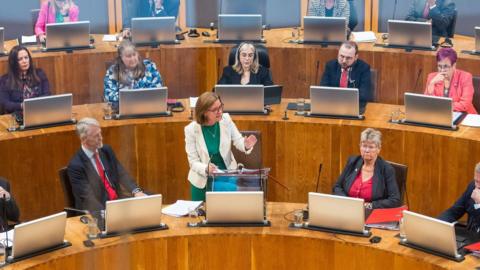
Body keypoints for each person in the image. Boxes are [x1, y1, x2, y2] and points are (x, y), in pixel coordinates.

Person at [184, 92, 257, 201]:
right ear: (204, 112)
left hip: (226, 175)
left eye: (220, 106)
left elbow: (238, 140)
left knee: (244, 194)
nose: (220, 112)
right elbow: (193, 162)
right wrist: (206, 168)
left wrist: (246, 145)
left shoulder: (226, 119)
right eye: (215, 110)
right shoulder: (191, 130)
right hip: (204, 180)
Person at [67, 117, 146, 213]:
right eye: (96, 136)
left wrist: (136, 191)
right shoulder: (76, 166)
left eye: (100, 133)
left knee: (149, 201)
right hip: (98, 211)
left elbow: (122, 173)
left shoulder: (106, 150)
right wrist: (108, 213)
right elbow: (87, 198)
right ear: (84, 139)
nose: (101, 138)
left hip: (117, 202)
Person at [333, 128, 401, 209]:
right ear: (360, 146)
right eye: (364, 146)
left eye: (371, 147)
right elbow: (337, 187)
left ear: (378, 149)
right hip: (348, 209)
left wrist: (369, 205)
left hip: (372, 214)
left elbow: (394, 200)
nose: (366, 150)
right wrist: (348, 201)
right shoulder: (352, 162)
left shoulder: (387, 170)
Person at [103, 40, 163, 104]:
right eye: (128, 56)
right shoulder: (113, 71)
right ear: (121, 57)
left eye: (134, 55)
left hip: (148, 105)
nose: (132, 59)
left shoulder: (150, 66)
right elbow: (109, 96)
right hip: (122, 108)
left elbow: (158, 89)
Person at [320, 41, 372, 113]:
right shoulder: (330, 66)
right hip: (332, 106)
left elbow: (364, 95)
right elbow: (323, 90)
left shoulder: (364, 68)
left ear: (356, 57)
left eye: (348, 58)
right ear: (338, 53)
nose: (344, 61)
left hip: (354, 107)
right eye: (342, 56)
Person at [424, 47, 477, 114]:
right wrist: (431, 84)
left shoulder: (465, 77)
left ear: (454, 66)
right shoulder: (432, 77)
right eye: (439, 66)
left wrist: (442, 106)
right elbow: (427, 103)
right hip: (440, 115)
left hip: (464, 115)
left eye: (446, 66)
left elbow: (465, 105)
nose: (442, 70)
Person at [0, 46, 50, 114]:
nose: (24, 61)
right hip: (18, 114)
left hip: (39, 111)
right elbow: (5, 104)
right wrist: (21, 106)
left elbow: (47, 94)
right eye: (20, 59)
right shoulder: (5, 80)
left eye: (26, 57)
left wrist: (35, 104)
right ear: (13, 62)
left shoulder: (39, 74)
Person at [438, 163, 480, 233]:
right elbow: (453, 212)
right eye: (476, 181)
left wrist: (479, 204)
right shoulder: (472, 187)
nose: (477, 186)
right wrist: (437, 224)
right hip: (470, 238)